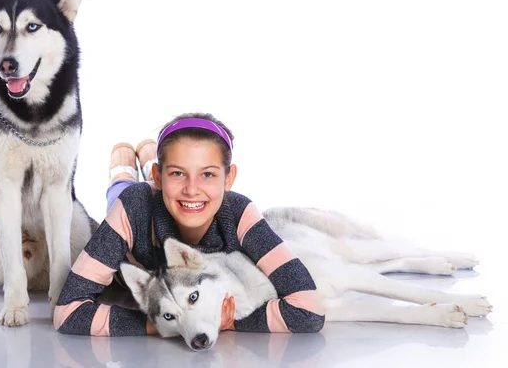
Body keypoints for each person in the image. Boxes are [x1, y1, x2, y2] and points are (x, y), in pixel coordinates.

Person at [53, 112, 325, 336]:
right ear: (160, 177)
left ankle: (153, 158)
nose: (193, 189)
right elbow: (68, 312)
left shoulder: (240, 213)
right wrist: (160, 325)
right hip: (134, 210)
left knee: (175, 195)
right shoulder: (133, 207)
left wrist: (231, 322)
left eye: (207, 174)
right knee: (120, 190)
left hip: (162, 193)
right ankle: (124, 166)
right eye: (178, 173)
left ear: (228, 179)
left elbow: (309, 311)